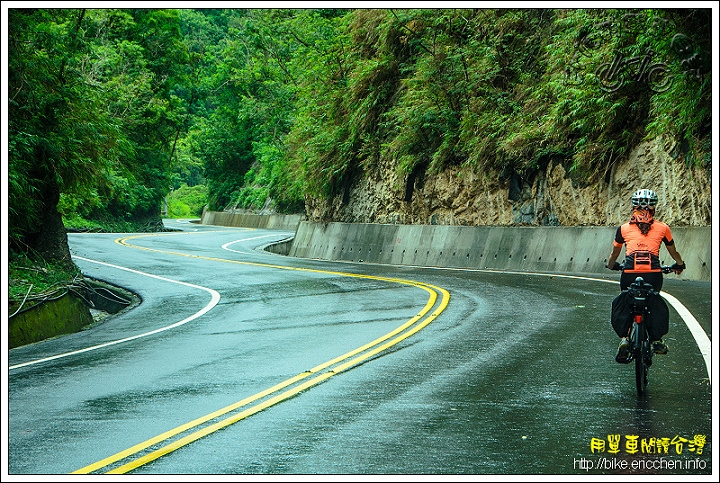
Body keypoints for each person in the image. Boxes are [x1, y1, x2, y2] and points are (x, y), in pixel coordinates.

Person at [606, 188, 686, 363]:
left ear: (633, 208)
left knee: (627, 302)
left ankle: (625, 339)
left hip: (628, 274)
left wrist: (611, 265)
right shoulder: (663, 228)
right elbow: (674, 252)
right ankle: (656, 340)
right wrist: (680, 264)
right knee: (653, 301)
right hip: (653, 275)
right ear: (654, 208)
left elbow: (614, 254)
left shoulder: (623, 229)